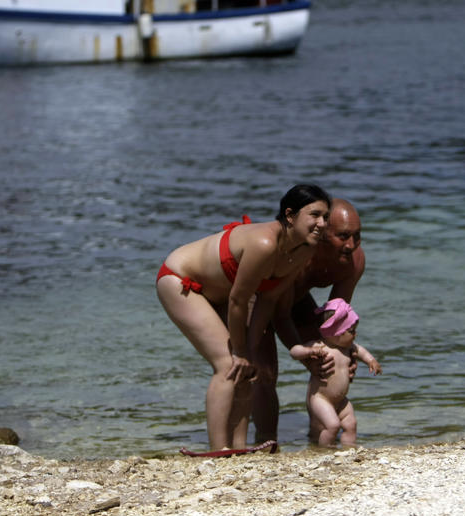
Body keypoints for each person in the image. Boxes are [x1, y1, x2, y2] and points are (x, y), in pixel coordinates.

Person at [156, 184, 331, 450]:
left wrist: (249, 349)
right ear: (290, 215)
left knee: (250, 367)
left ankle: (238, 447)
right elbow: (238, 300)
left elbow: (268, 300)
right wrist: (239, 350)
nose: (322, 223)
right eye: (314, 215)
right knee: (228, 363)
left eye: (326, 217)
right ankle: (218, 450)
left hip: (221, 295)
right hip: (180, 281)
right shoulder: (264, 243)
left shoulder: (305, 250)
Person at [251, 198, 365, 443]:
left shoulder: (353, 261)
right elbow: (280, 316)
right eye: (343, 236)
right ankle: (266, 442)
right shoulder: (297, 255)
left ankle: (318, 437)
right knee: (265, 372)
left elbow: (336, 322)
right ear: (321, 233)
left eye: (357, 236)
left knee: (329, 365)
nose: (351, 245)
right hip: (258, 299)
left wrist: (346, 354)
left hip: (296, 300)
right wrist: (304, 354)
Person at [289, 298, 382, 447]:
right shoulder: (319, 346)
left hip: (341, 400)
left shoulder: (349, 347)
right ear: (336, 332)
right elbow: (294, 352)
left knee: (351, 424)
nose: (355, 334)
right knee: (332, 426)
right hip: (321, 399)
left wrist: (371, 361)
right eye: (351, 331)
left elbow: (362, 352)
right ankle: (324, 452)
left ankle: (349, 449)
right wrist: (308, 351)